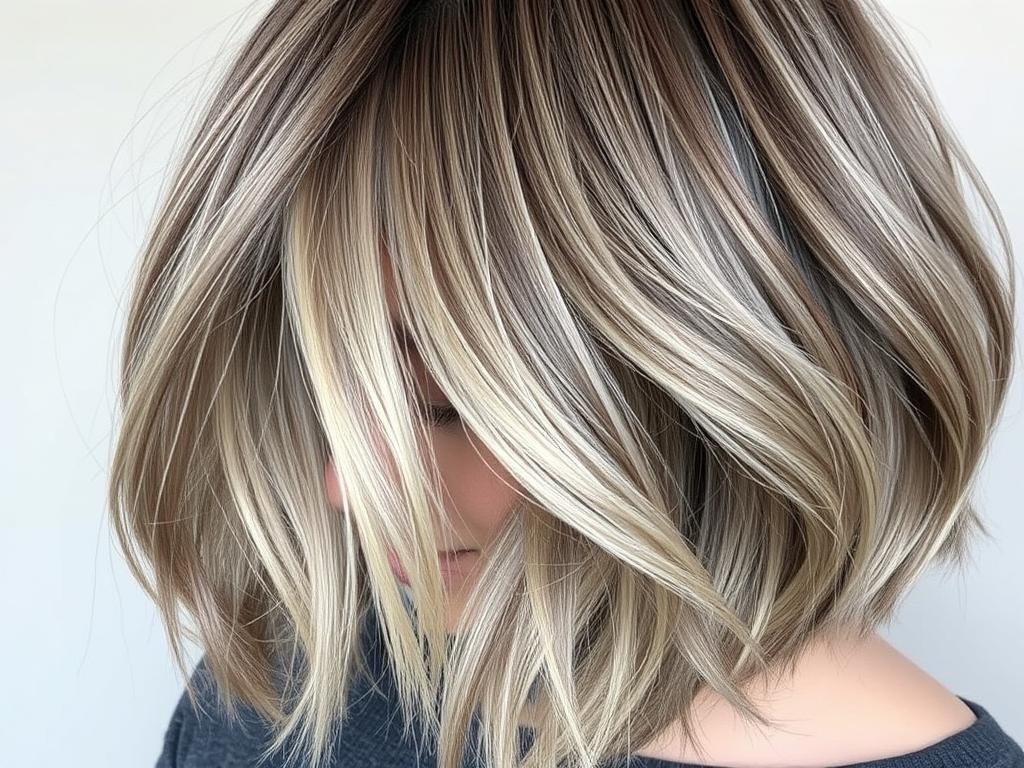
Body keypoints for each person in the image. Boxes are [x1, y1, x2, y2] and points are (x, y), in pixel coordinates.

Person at [108, 1, 1023, 767]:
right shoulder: (275, 703)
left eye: (444, 407)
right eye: (330, 394)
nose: (347, 492)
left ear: (741, 370)